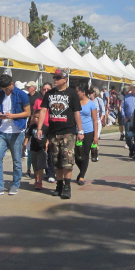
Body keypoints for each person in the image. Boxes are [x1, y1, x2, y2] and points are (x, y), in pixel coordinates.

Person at [37, 69, 84, 199]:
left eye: (58, 77)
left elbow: (76, 113)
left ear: (65, 79)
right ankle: (59, 185)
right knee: (56, 161)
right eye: (54, 77)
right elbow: (43, 111)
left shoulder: (72, 94)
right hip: (53, 132)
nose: (55, 80)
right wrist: (40, 128)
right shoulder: (49, 94)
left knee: (67, 161)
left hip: (68, 132)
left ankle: (67, 186)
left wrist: (80, 130)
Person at [0, 74, 31, 197]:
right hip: (2, 130)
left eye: (7, 88)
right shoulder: (0, 94)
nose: (5, 91)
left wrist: (13, 116)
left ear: (12, 84)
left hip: (16, 131)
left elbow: (28, 112)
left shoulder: (21, 95)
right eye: (3, 88)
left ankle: (15, 185)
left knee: (16, 160)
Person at [74, 81, 99, 185]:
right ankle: (81, 170)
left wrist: (95, 136)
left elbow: (95, 120)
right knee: (76, 155)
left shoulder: (91, 104)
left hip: (88, 131)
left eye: (77, 91)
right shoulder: (75, 102)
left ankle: (82, 176)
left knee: (84, 153)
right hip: (76, 131)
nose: (76, 93)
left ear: (83, 92)